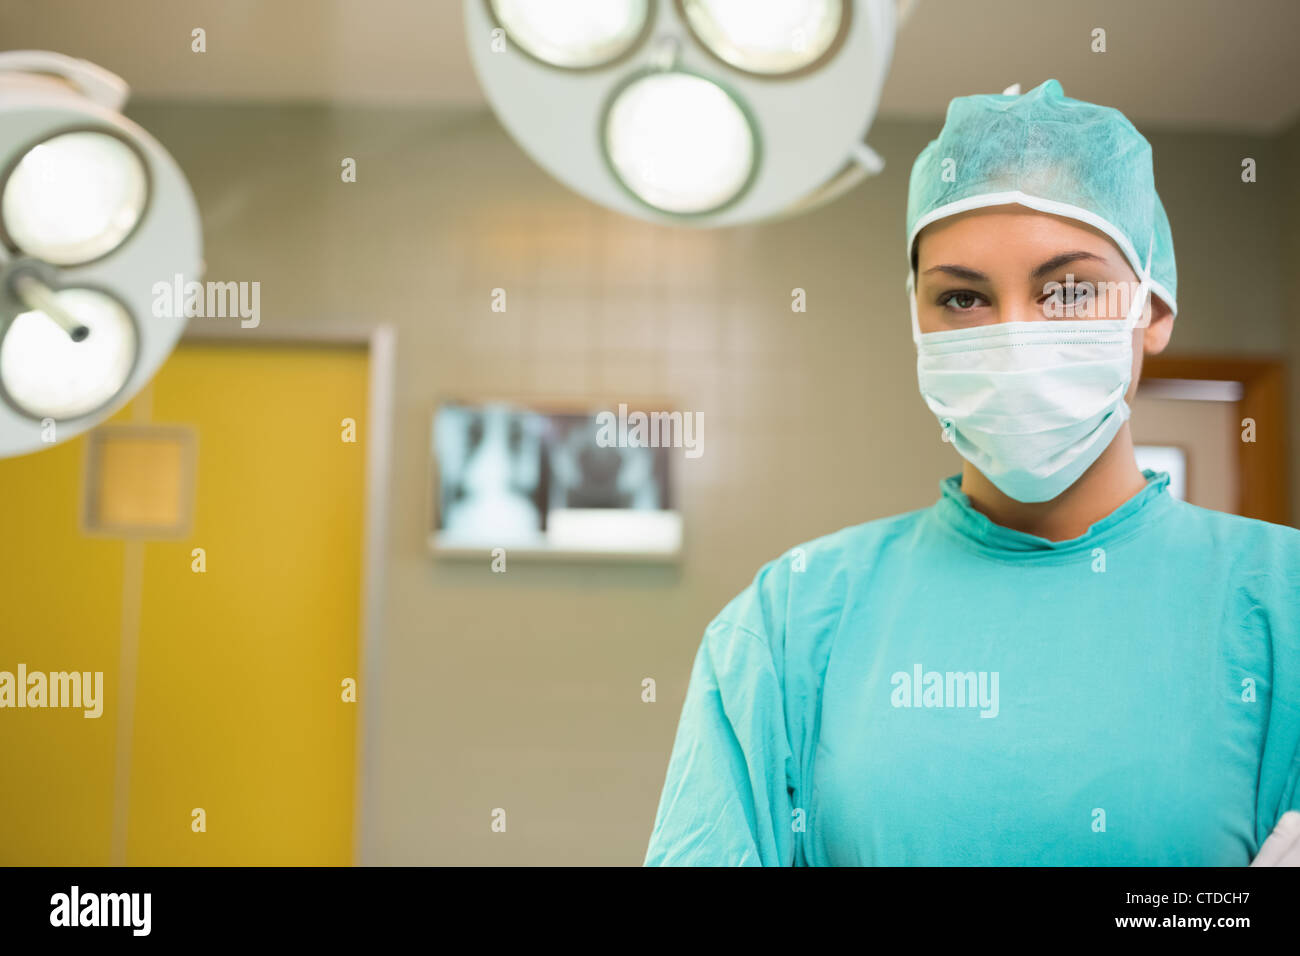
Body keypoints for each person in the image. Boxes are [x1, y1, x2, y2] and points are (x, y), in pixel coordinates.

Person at [642, 79, 1300, 866]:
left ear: (1153, 308)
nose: (1014, 335)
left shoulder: (1280, 603)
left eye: (1069, 290)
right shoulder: (794, 619)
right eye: (962, 298)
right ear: (916, 320)